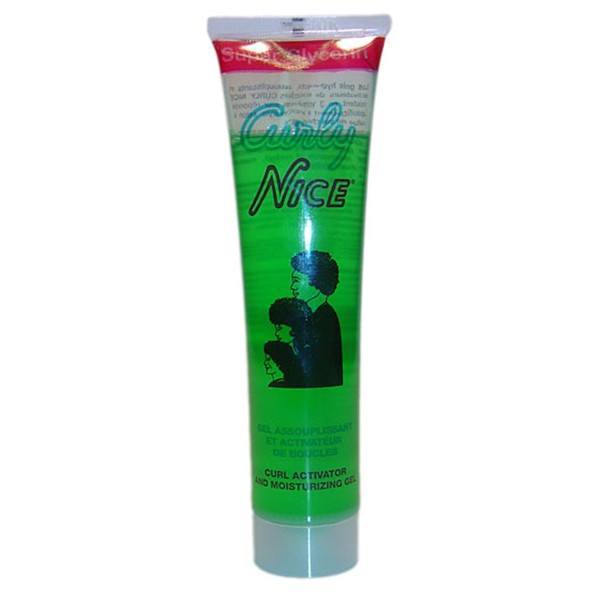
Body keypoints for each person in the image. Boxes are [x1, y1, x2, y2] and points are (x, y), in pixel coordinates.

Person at [290, 251, 343, 386]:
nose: (292, 287)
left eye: (296, 281)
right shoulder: (317, 314)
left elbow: (319, 369)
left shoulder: (324, 317)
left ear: (316, 281)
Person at [264, 298, 316, 388]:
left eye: (279, 328)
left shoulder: (308, 352)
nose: (276, 333)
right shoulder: (295, 348)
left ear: (293, 326)